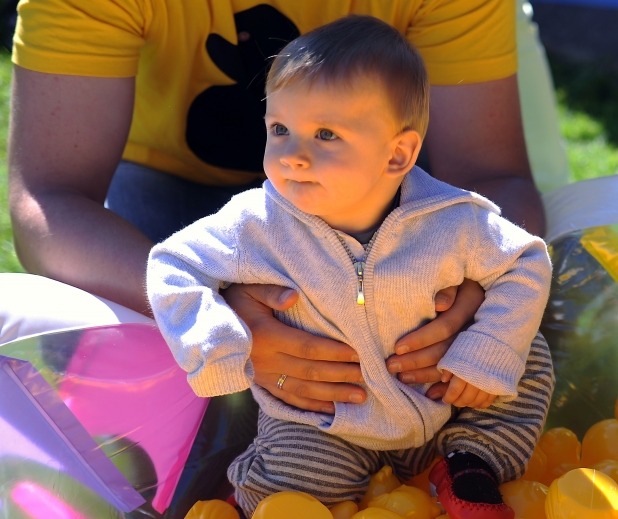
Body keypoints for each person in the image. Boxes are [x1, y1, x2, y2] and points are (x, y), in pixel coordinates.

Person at [6, 0, 545, 412]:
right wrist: (203, 309)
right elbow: (51, 200)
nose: (293, 156)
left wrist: (479, 295)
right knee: (123, 378)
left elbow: (491, 176)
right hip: (165, 187)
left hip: (382, 200)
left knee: (522, 365)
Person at [147, 16, 554, 519]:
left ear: (398, 153)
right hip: (330, 419)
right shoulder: (256, 224)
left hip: (448, 399)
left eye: (325, 134)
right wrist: (219, 344)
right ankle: (252, 512)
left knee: (525, 359)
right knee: (294, 482)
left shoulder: (453, 220)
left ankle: (472, 464)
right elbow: (173, 264)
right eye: (279, 129)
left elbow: (526, 261)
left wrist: (485, 352)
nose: (292, 155)